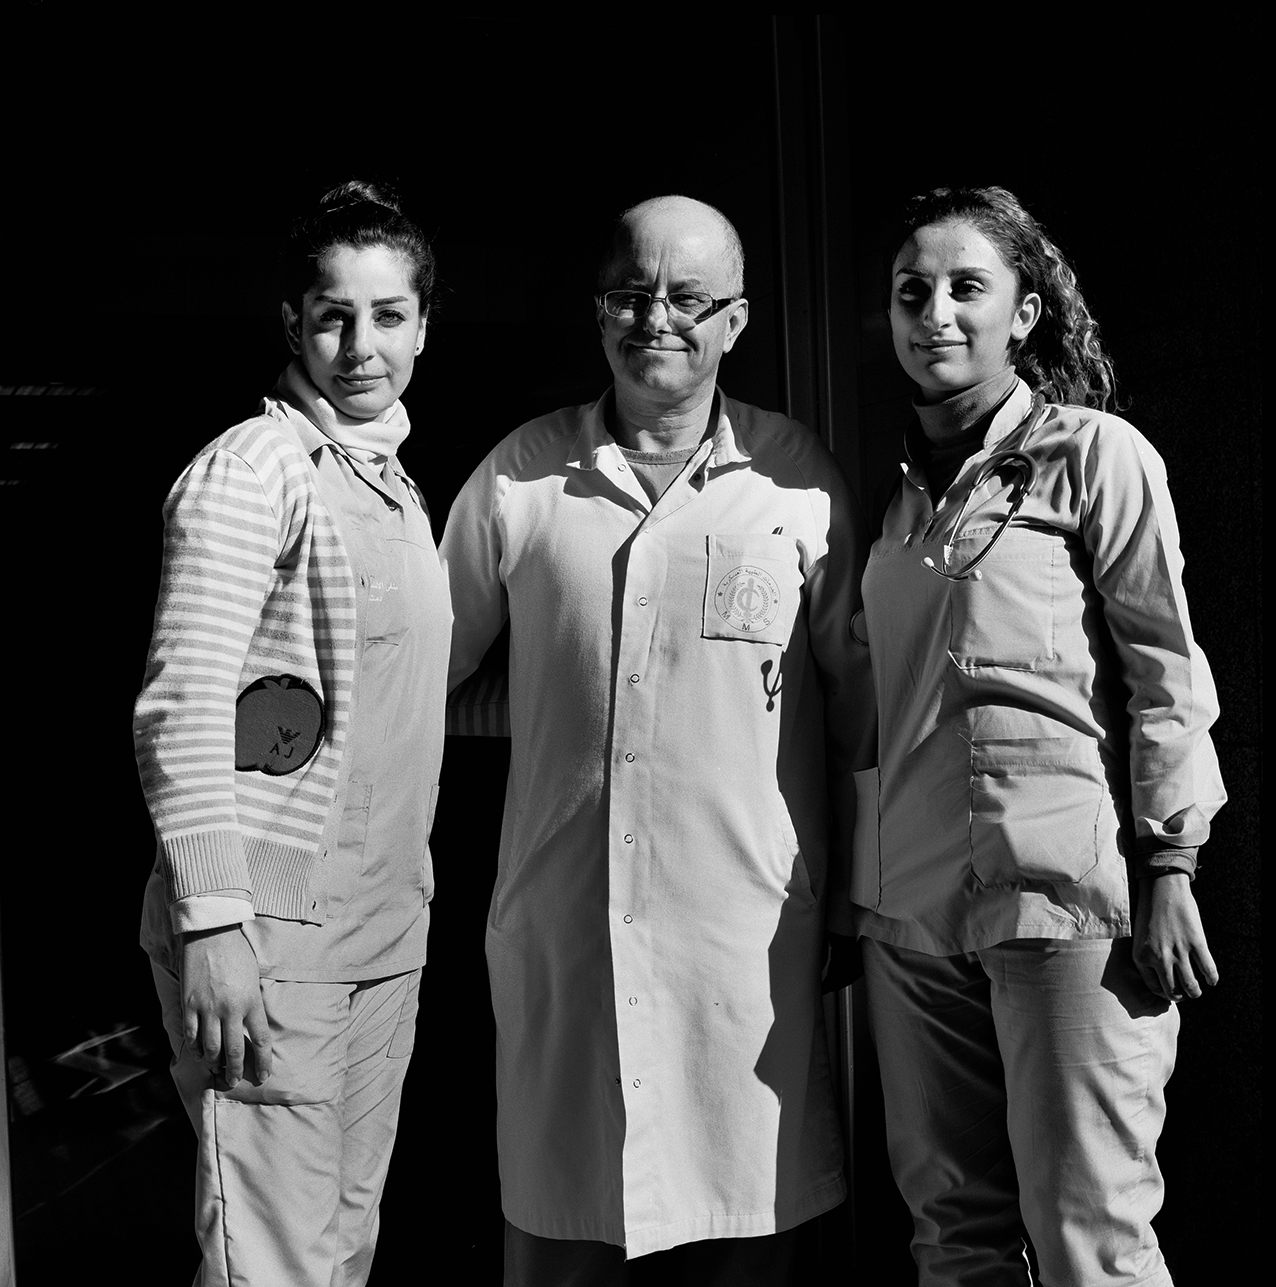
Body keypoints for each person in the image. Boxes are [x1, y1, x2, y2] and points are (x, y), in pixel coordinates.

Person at [439, 195, 874, 1285]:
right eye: (631, 294)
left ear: (737, 319)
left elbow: (856, 708)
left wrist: (855, 898)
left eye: (688, 297)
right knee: (560, 1243)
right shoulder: (519, 477)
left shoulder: (794, 482)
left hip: (741, 949)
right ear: (597, 312)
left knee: (745, 1245)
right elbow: (420, 679)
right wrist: (544, 706)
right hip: (566, 938)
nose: (657, 318)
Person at [852, 185, 1225, 1286]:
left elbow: (1166, 666)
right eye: (911, 292)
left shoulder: (1094, 455)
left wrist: (1171, 860)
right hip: (914, 916)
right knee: (952, 1236)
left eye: (966, 287)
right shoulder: (897, 503)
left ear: (1022, 313)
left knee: (1088, 1236)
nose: (935, 313)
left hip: (1066, 904)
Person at [134, 180, 449, 1286]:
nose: (361, 346)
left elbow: (406, 699)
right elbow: (180, 707)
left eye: (388, 315)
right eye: (332, 316)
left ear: (423, 325)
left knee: (341, 1252)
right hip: (269, 940)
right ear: (291, 323)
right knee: (270, 1263)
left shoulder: (395, 487)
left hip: (381, 933)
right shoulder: (252, 468)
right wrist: (213, 922)